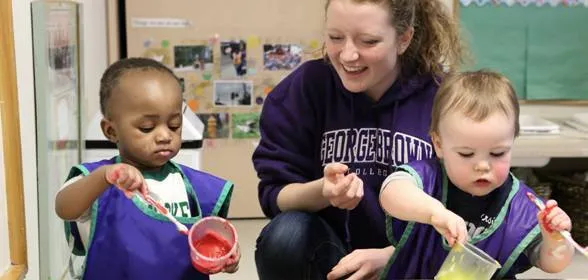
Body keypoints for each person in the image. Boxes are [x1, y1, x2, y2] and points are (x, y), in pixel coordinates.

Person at [252, 0, 464, 279]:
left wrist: (393, 256)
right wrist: (324, 191)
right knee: (286, 237)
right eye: (335, 38)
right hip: (334, 257)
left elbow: (476, 213)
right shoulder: (306, 88)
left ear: (403, 39)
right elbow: (275, 196)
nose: (348, 55)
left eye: (368, 41)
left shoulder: (444, 98)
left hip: (416, 257)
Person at [55, 57, 240, 280]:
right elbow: (65, 208)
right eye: (147, 127)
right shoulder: (99, 182)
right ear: (111, 131)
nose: (164, 136)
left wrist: (229, 254)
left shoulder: (193, 187)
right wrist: (104, 177)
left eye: (174, 125)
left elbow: (211, 239)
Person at [379, 70, 574, 279]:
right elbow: (391, 193)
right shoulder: (428, 178)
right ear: (439, 144)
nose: (482, 165)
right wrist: (435, 213)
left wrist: (555, 239)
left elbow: (552, 264)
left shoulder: (520, 205)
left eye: (497, 153)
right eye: (466, 153)